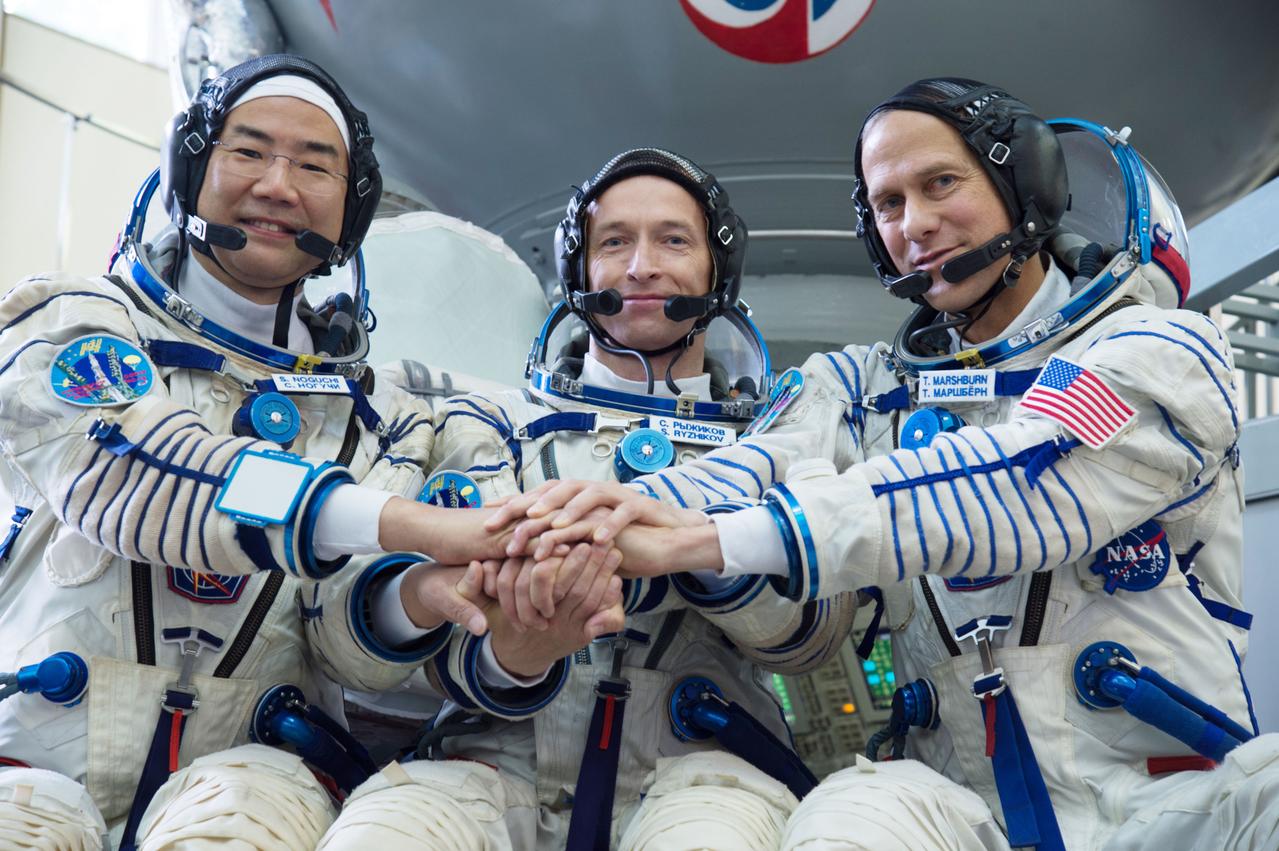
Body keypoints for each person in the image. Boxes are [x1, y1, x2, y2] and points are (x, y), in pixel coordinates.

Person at [492, 79, 1279, 849]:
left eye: (940, 184)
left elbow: (1016, 478)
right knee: (846, 814)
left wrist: (705, 541)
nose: (917, 223)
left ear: (1023, 185)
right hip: (951, 805)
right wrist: (589, 518)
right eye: (888, 204)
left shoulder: (1158, 349)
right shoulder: (860, 387)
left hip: (1178, 793)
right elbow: (748, 464)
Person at [0, 54, 528, 850]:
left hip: (254, 779)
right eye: (247, 151)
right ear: (191, 168)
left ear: (350, 209)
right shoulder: (73, 320)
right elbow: (131, 471)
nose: (279, 185)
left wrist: (417, 592)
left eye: (315, 165)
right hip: (36, 756)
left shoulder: (388, 420)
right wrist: (407, 524)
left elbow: (348, 645)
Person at [319, 148, 857, 851]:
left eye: (672, 239)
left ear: (717, 270)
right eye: (613, 243)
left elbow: (813, 638)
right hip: (490, 757)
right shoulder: (482, 424)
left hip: (703, 771)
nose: (640, 266)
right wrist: (509, 652)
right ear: (578, 271)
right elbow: (355, 647)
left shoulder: (774, 442)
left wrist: (692, 544)